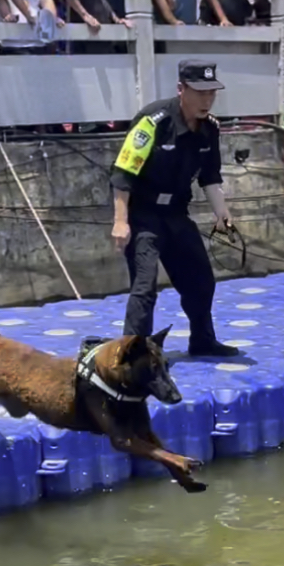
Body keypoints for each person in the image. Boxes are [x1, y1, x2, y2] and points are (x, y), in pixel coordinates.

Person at [109, 60, 239, 358]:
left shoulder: (210, 129)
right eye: (200, 92)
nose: (207, 100)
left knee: (202, 278)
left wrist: (222, 213)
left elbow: (210, 176)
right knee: (144, 286)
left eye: (212, 93)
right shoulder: (153, 122)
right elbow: (123, 173)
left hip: (176, 213)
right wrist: (120, 221)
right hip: (142, 213)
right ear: (181, 89)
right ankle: (133, 354)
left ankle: (202, 339)